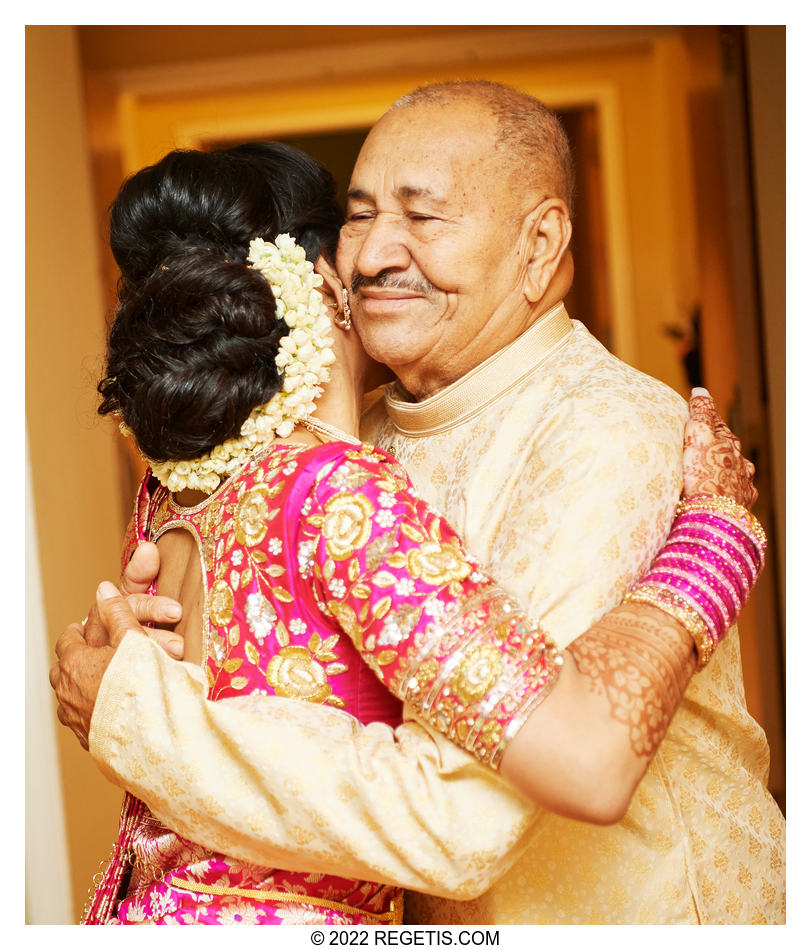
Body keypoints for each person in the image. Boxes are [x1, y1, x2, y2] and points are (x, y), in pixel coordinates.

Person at [52, 82, 784, 924]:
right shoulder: (319, 442)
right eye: (358, 217)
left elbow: (492, 799)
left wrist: (711, 552)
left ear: (540, 243)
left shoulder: (601, 426)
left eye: (422, 218)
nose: (369, 259)